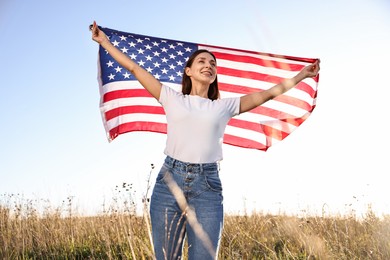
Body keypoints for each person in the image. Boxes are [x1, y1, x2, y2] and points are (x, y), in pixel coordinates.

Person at [91, 21, 320, 260]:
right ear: (188, 71)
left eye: (213, 64)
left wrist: (301, 76)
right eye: (202, 61)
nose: (208, 65)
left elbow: (267, 94)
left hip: (207, 187)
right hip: (169, 182)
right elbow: (135, 69)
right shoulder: (171, 98)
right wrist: (104, 42)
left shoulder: (224, 106)